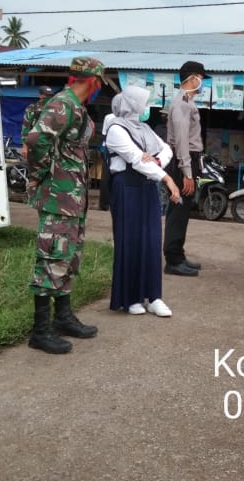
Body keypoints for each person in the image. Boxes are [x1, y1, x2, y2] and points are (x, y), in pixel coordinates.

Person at [22, 57, 106, 354]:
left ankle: (63, 317)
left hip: (73, 199)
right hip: (59, 197)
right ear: (93, 81)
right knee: (51, 258)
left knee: (67, 257)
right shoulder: (63, 104)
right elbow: (35, 141)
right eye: (99, 82)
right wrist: (40, 175)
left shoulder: (77, 106)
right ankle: (41, 331)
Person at [102, 85, 182, 316]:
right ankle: (131, 298)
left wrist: (156, 162)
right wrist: (166, 177)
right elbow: (136, 159)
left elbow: (166, 149)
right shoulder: (116, 128)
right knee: (130, 242)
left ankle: (154, 296)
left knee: (152, 241)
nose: (147, 108)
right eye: (144, 103)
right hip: (127, 188)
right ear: (132, 104)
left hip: (147, 186)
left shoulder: (144, 128)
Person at [163, 61, 207, 277]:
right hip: (183, 161)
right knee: (178, 210)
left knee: (183, 211)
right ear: (192, 78)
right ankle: (172, 259)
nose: (202, 83)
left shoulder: (188, 101)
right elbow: (181, 140)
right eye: (200, 77)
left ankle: (178, 255)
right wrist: (187, 172)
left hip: (188, 159)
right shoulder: (181, 103)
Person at [20, 85, 54, 160]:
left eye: (49, 95)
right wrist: (25, 146)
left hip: (52, 145)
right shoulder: (33, 108)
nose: (48, 97)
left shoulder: (54, 108)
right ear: (40, 95)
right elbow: (26, 127)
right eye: (45, 95)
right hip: (36, 144)